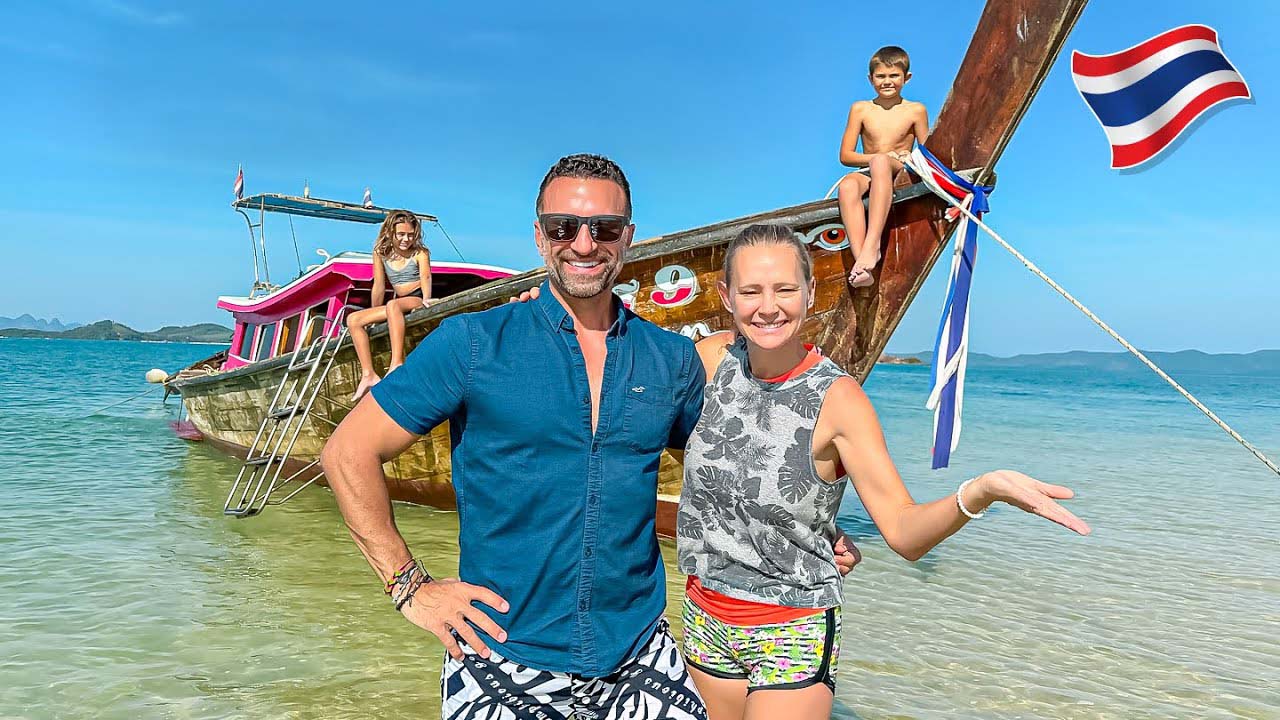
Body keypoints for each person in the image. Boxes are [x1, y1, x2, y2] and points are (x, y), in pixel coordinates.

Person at [321, 154, 715, 720]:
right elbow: (348, 451)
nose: (583, 244)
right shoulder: (475, 343)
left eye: (603, 228)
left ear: (627, 238)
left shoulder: (669, 358)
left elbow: (727, 462)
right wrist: (410, 587)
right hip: (499, 655)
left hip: (639, 653)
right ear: (539, 236)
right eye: (564, 228)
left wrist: (807, 528)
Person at [676, 223, 1091, 720]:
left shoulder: (839, 400)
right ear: (725, 296)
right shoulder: (709, 361)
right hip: (706, 616)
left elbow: (902, 532)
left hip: (791, 627)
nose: (769, 306)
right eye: (751, 291)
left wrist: (979, 492)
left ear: (811, 292)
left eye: (786, 289)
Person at [835, 45, 930, 288]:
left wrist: (909, 156)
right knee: (847, 187)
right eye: (881, 76)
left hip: (898, 168)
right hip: (869, 169)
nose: (887, 82)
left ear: (906, 78)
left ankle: (872, 245)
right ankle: (862, 265)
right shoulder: (861, 109)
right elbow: (845, 155)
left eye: (894, 76)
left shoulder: (916, 110)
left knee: (880, 162)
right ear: (870, 79)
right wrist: (880, 155)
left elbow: (928, 151)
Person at [347, 209, 432, 401]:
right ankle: (368, 374)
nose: (406, 239)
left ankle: (397, 363)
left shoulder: (420, 253)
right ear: (390, 232)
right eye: (401, 234)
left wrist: (426, 298)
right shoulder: (380, 253)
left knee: (393, 305)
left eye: (410, 235)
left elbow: (426, 276)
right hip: (397, 303)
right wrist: (372, 314)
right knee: (353, 319)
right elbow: (378, 285)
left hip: (416, 298)